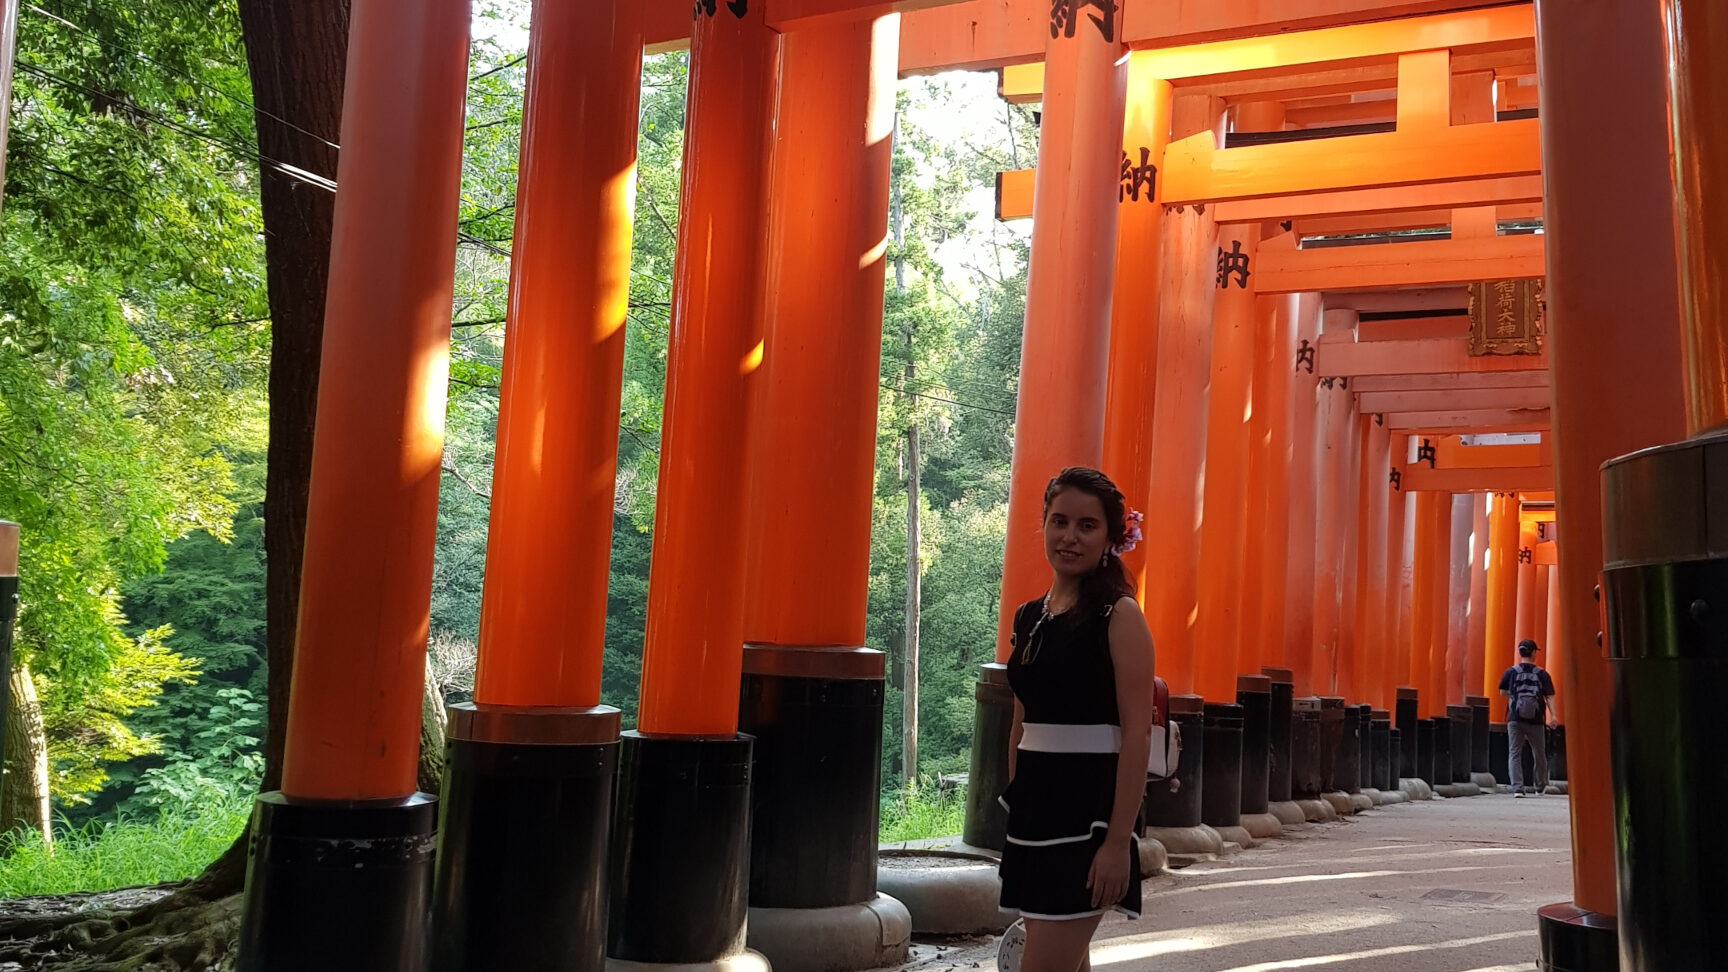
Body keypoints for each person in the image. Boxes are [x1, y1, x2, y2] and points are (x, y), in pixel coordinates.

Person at [997, 467, 1155, 972]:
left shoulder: (1120, 614)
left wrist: (1116, 842)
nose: (1070, 536)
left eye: (1087, 525)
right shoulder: (1028, 616)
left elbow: (1137, 733)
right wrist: (1015, 797)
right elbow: (1021, 719)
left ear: (1110, 537)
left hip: (1090, 817)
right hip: (1034, 815)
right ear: (1043, 524)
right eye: (1059, 521)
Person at [1497, 639, 1556, 797]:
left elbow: (1502, 692)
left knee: (1514, 752)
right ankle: (1540, 786)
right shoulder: (1542, 674)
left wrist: (1516, 696)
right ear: (1534, 653)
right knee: (1539, 753)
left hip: (1515, 718)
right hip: (1536, 720)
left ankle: (1517, 788)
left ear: (1520, 652)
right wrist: (1554, 715)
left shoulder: (1511, 672)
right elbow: (1549, 696)